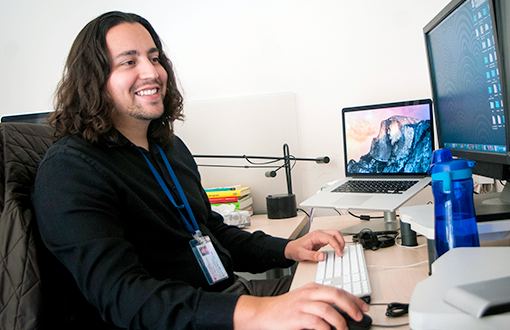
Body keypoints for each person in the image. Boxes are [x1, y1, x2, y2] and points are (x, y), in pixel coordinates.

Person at [32, 10, 368, 330]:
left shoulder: (167, 147)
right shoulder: (69, 171)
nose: (151, 72)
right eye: (129, 62)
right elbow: (124, 298)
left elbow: (211, 232)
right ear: (93, 78)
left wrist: (287, 249)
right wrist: (262, 313)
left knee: (357, 303)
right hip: (186, 320)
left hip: (226, 301)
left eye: (154, 57)